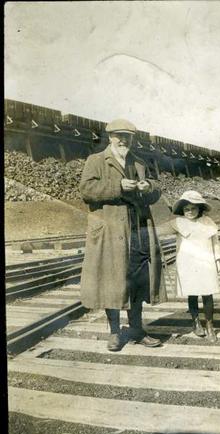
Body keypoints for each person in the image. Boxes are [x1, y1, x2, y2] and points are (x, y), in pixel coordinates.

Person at [79, 118, 167, 351]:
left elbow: (156, 190)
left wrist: (148, 186)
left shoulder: (138, 162)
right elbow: (86, 191)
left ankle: (137, 330)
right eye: (119, 136)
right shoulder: (96, 160)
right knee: (113, 281)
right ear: (110, 137)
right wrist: (119, 187)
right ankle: (115, 333)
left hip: (137, 232)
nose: (123, 140)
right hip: (111, 233)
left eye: (127, 136)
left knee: (137, 282)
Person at [171, 190, 220, 343]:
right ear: (182, 210)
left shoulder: (208, 222)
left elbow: (215, 242)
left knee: (208, 293)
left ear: (200, 208)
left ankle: (210, 325)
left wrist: (218, 258)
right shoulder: (179, 223)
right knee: (192, 292)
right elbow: (160, 233)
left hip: (206, 260)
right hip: (187, 261)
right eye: (187, 209)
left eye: (193, 208)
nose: (190, 212)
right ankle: (195, 322)